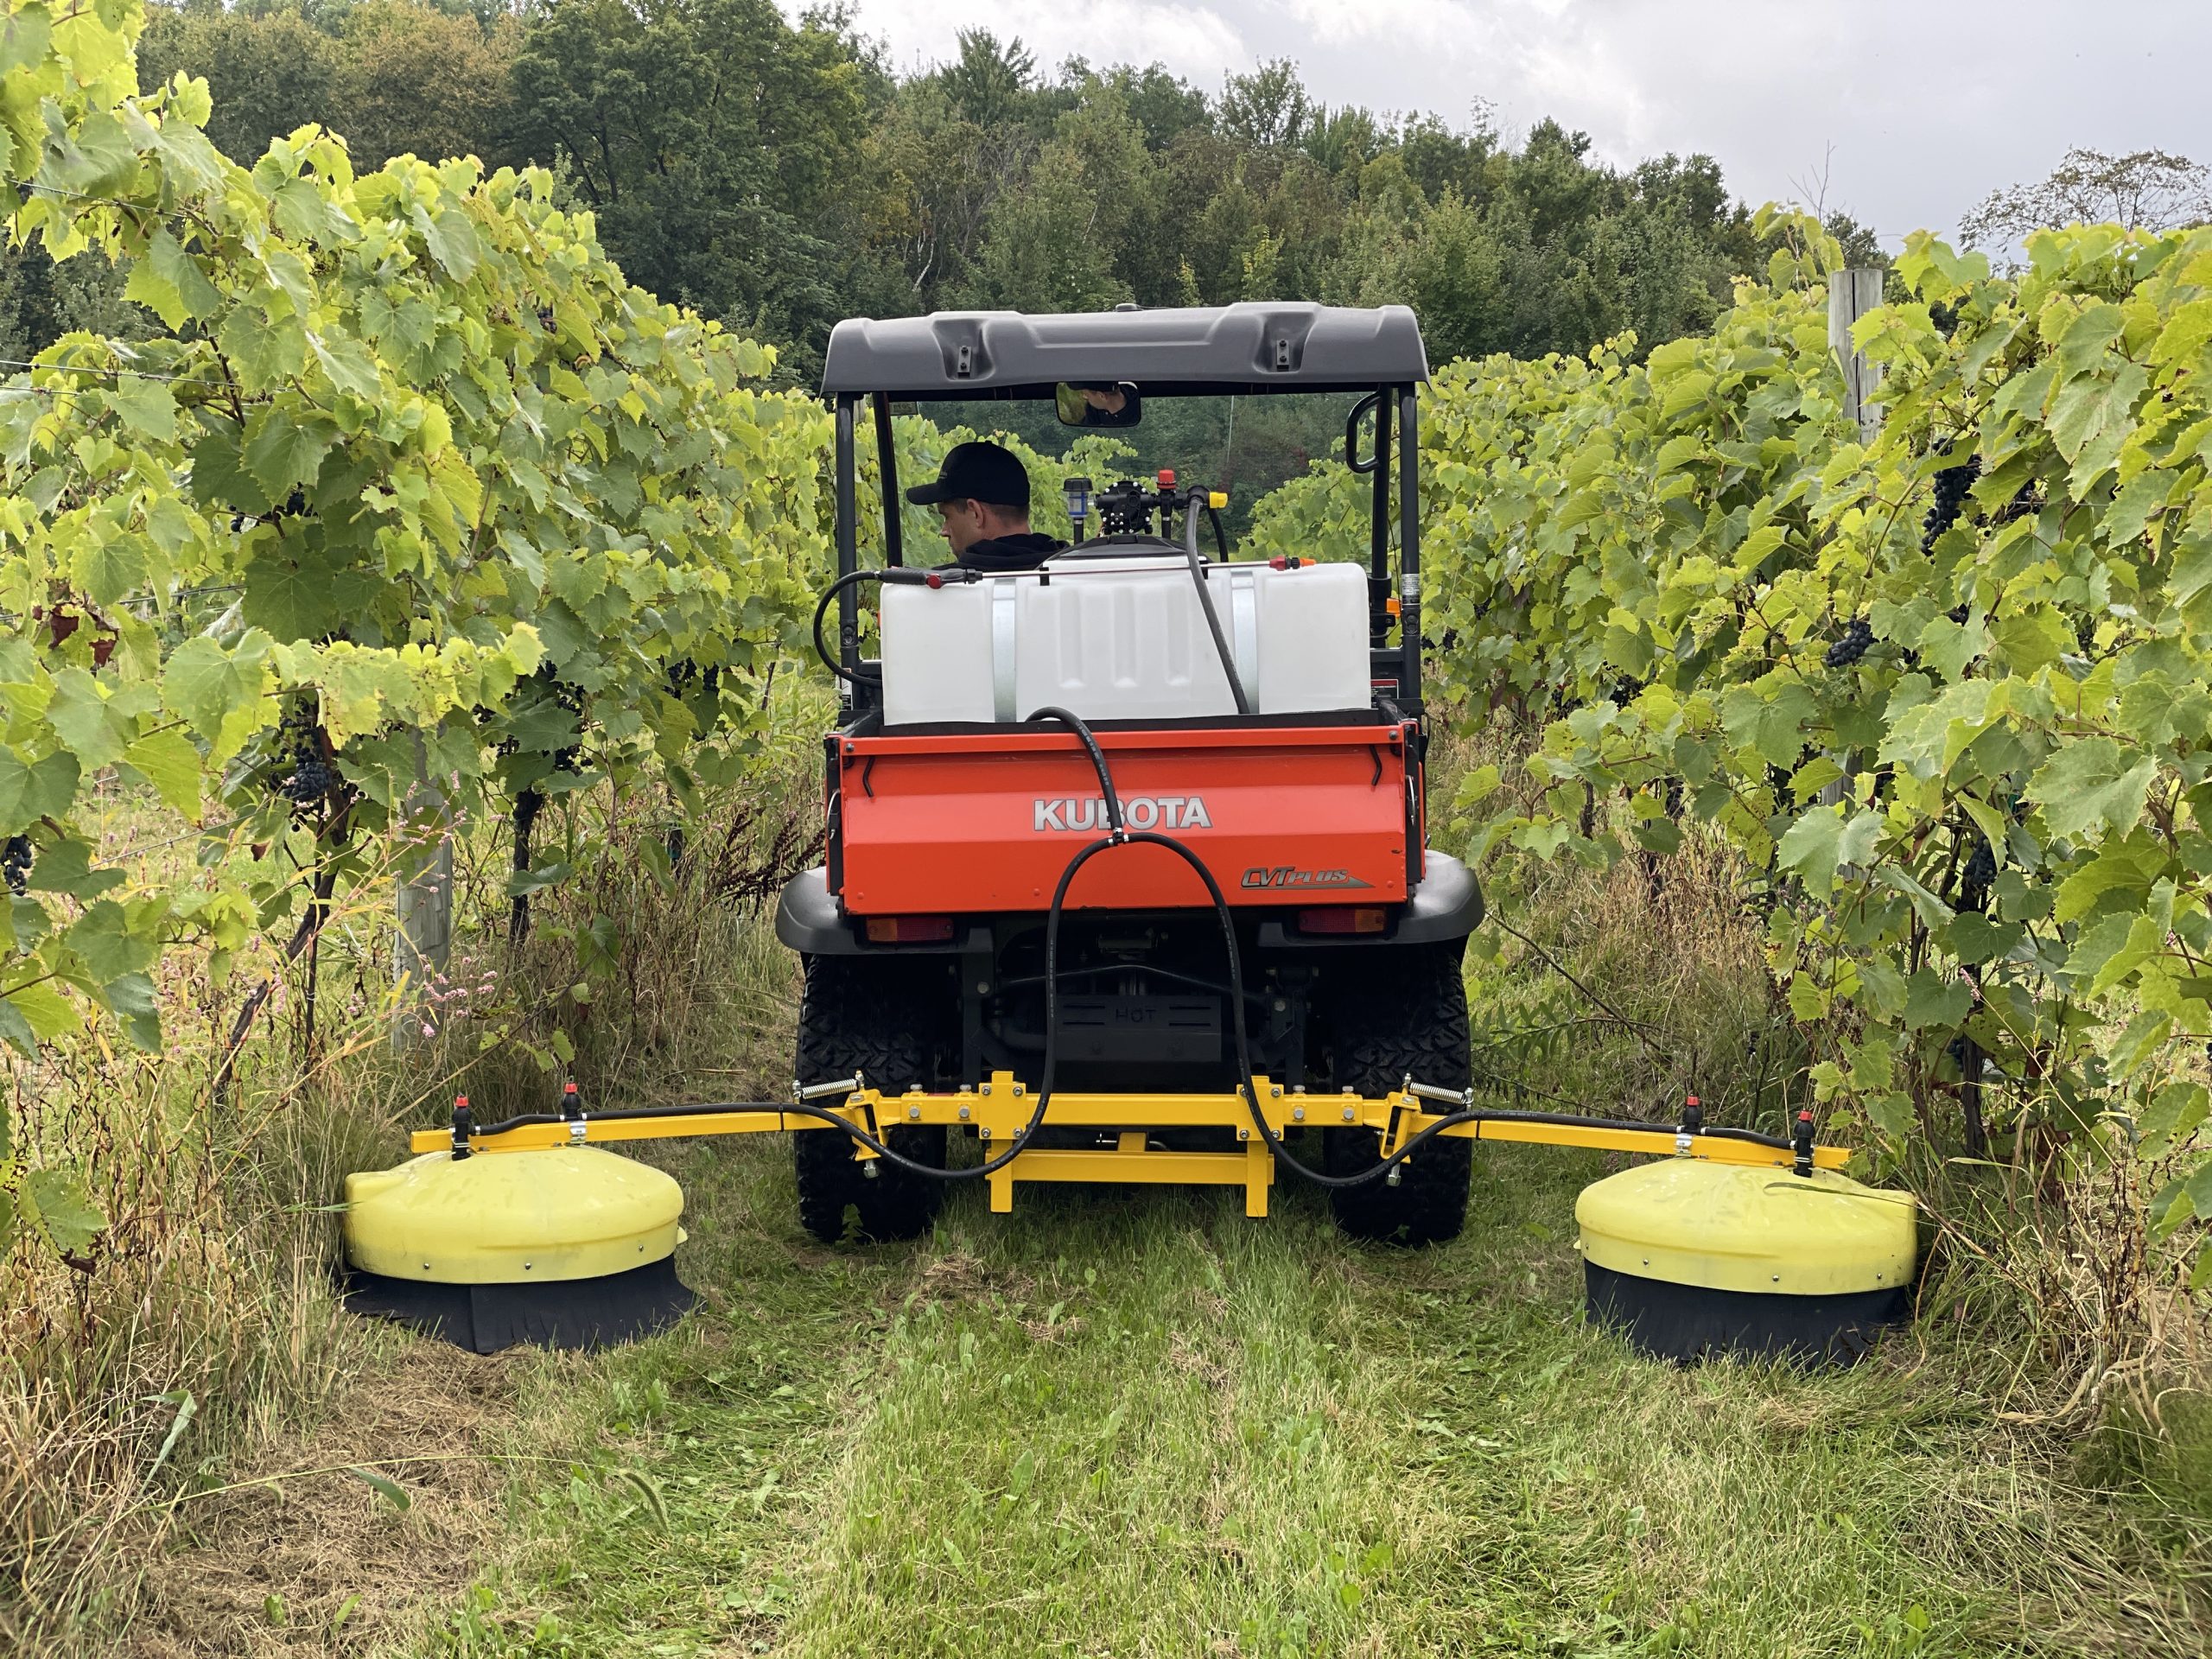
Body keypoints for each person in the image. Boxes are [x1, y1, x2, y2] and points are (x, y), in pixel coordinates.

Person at [905, 440, 1068, 572]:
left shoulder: (938, 591)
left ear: (976, 513)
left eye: (947, 517)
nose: (944, 531)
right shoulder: (1071, 573)